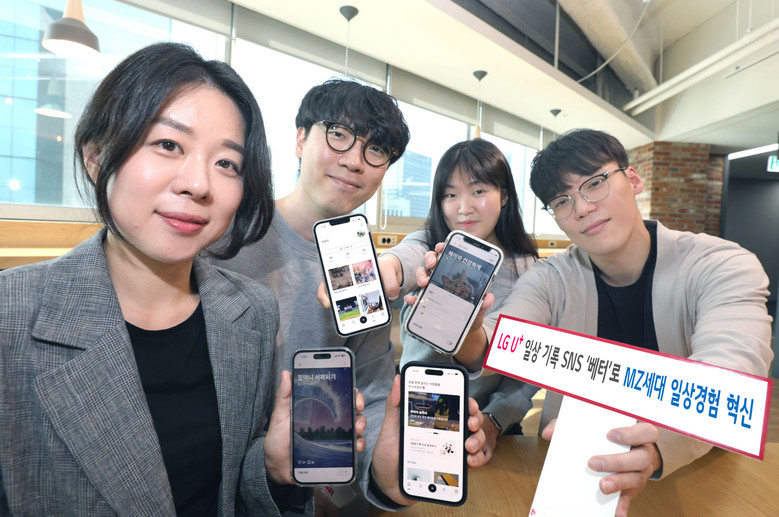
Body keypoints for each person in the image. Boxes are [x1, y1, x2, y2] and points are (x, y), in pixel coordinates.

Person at [0, 42, 329, 516]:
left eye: (227, 163)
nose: (199, 184)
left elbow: (230, 488)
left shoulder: (253, 312)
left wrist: (272, 468)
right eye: (168, 145)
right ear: (96, 156)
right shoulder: (11, 315)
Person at [424, 129, 773, 517]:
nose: (582, 208)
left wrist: (657, 445)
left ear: (633, 179)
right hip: (576, 477)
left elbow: (733, 367)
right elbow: (499, 341)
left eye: (594, 183)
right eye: (562, 200)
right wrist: (466, 330)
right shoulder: (550, 278)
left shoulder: (721, 265)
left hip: (695, 473)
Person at [212, 79, 489, 512]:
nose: (355, 161)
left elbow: (373, 388)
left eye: (375, 150)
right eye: (338, 135)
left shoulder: (364, 273)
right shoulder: (220, 235)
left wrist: (386, 469)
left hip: (296, 497)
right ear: (300, 139)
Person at [379, 139, 540, 462]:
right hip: (419, 412)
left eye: (478, 191)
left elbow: (525, 371)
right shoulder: (430, 244)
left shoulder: (529, 269)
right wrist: (388, 265)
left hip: (488, 422)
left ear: (504, 195)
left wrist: (495, 421)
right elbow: (407, 256)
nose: (464, 207)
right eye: (450, 195)